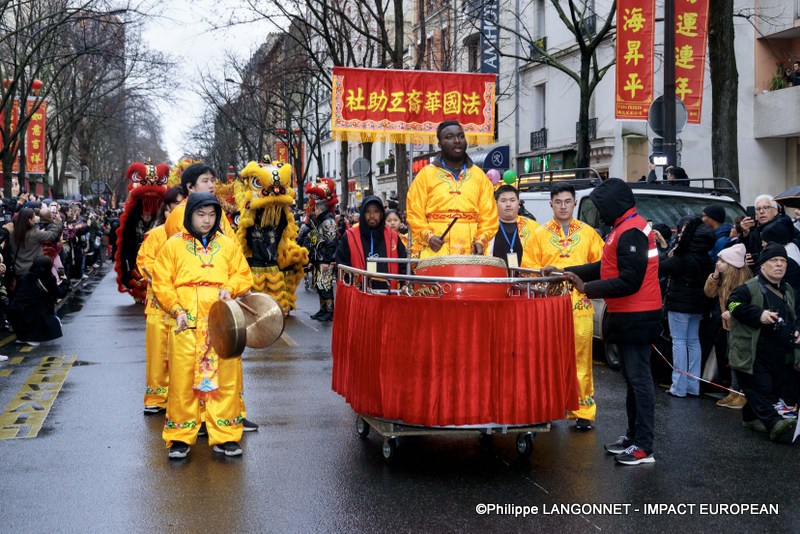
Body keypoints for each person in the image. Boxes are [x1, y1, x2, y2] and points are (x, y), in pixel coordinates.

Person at [553, 178, 662, 465]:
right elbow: (605, 266)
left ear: (613, 205)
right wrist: (566, 271)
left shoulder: (631, 232)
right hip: (627, 315)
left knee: (640, 382)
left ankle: (644, 446)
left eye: (601, 207)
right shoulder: (622, 228)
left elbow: (630, 281)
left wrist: (586, 288)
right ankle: (632, 436)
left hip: (638, 316)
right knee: (631, 380)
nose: (599, 213)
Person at [151, 193, 253, 459]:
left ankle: (226, 435)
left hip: (223, 323)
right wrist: (175, 309)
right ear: (189, 215)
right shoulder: (173, 245)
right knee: (182, 381)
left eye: (211, 215)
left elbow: (243, 274)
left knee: (226, 380)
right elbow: (161, 283)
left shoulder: (228, 245)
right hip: (186, 323)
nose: (207, 221)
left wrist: (230, 288)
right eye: (201, 214)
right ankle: (180, 437)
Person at [526, 182, 604, 430]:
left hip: (580, 307)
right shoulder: (539, 234)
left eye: (567, 201)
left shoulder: (589, 233)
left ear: (574, 202)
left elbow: (601, 266)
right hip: (549, 307)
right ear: (551, 204)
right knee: (547, 358)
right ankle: (547, 407)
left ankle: (583, 411)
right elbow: (529, 271)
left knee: (581, 359)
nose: (563, 206)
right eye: (558, 202)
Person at [727, 243, 799, 443]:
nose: (779, 265)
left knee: (771, 389)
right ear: (763, 265)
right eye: (774, 261)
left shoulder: (788, 289)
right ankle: (774, 423)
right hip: (752, 351)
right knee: (759, 387)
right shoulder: (748, 288)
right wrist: (759, 314)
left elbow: (796, 314)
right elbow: (731, 304)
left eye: (783, 261)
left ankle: (751, 418)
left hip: (779, 351)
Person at [406, 120, 498, 258]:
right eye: (449, 137)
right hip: (435, 251)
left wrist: (481, 240)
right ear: (439, 144)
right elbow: (414, 212)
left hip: (469, 252)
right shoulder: (426, 175)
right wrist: (429, 237)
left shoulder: (479, 176)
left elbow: (489, 216)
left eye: (461, 136)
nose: (457, 141)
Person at [136, 186, 184, 415]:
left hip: (185, 305)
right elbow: (144, 262)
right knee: (158, 353)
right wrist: (167, 277)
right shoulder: (156, 235)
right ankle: (156, 396)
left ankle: (183, 397)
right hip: (158, 304)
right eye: (176, 205)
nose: (180, 210)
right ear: (166, 209)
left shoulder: (196, 239)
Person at [659, 217, 715, 398]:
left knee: (679, 341)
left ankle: (679, 386)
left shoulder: (682, 257)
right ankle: (693, 385)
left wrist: (666, 250)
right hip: (699, 305)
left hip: (679, 303)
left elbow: (659, 269)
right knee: (693, 341)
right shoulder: (707, 258)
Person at [704, 243, 752, 409]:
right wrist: (715, 276)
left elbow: (747, 302)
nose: (718, 263)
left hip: (740, 326)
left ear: (731, 264)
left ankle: (741, 394)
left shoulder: (743, 279)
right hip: (728, 326)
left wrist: (732, 313)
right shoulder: (724, 277)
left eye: (722, 261)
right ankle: (734, 390)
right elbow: (709, 293)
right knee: (732, 358)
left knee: (738, 360)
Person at [336, 195, 406, 290]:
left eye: (376, 212)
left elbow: (404, 264)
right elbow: (342, 265)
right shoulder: (350, 236)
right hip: (360, 296)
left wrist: (404, 284)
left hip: (388, 295)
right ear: (363, 214)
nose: (372, 216)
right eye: (368, 212)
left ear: (381, 214)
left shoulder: (392, 237)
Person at [8, 256, 69, 346]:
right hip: (35, 314)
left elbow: (16, 294)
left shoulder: (23, 277)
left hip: (15, 312)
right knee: (53, 320)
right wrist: (65, 282)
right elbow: (60, 293)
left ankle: (23, 337)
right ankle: (32, 337)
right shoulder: (47, 279)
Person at [7, 206, 63, 292]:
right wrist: (58, 221)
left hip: (18, 272)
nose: (36, 219)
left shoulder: (11, 234)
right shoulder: (35, 234)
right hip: (33, 272)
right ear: (29, 220)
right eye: (34, 217)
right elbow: (52, 235)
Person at [489, 184, 540, 268]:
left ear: (518, 202)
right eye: (503, 200)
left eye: (512, 200)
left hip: (526, 278)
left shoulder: (533, 226)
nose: (508, 204)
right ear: (496, 203)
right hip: (495, 278)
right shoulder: (487, 226)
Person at [310, 199, 338, 321]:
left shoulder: (328, 221)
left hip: (325, 259)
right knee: (319, 284)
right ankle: (323, 309)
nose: (314, 211)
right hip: (319, 258)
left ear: (319, 209)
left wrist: (327, 260)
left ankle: (330, 311)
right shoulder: (321, 221)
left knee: (325, 285)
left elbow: (331, 243)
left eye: (315, 209)